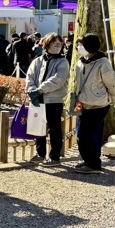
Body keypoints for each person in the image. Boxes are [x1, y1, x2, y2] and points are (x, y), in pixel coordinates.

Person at [73, 34, 115, 174]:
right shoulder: (80, 62)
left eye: (81, 44)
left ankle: (94, 164)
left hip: (98, 106)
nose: (78, 47)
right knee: (81, 135)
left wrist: (109, 100)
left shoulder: (103, 63)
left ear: (88, 46)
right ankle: (87, 160)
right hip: (82, 104)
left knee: (91, 135)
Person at [26, 33, 70, 167]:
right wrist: (32, 89)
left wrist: (39, 89)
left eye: (59, 44)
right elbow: (30, 76)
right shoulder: (38, 60)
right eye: (54, 44)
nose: (57, 46)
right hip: (38, 100)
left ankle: (54, 156)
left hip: (54, 100)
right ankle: (40, 154)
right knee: (38, 127)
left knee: (55, 128)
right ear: (46, 44)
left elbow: (58, 79)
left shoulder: (63, 61)